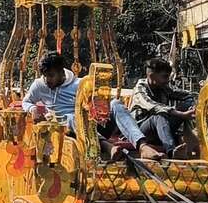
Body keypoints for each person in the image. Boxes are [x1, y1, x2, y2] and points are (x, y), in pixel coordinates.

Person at [22, 52, 162, 160]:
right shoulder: (39, 85)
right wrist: (33, 108)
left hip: (93, 123)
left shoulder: (80, 84)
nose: (47, 80)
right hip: (66, 128)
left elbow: (98, 107)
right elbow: (26, 102)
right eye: (45, 76)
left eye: (51, 75)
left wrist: (98, 107)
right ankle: (108, 147)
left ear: (62, 72)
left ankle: (142, 146)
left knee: (115, 103)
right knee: (71, 117)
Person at [130, 58, 196, 158]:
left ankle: (192, 143)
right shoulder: (140, 89)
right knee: (159, 116)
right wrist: (180, 114)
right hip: (143, 131)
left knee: (187, 106)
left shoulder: (163, 87)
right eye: (164, 76)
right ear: (152, 75)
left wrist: (193, 106)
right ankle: (171, 151)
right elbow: (153, 106)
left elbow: (186, 95)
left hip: (163, 127)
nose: (167, 80)